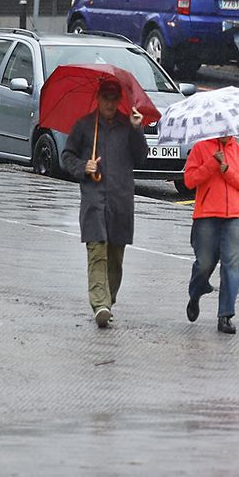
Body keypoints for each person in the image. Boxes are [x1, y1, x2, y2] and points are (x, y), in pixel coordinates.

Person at [60, 81, 147, 328]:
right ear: (97, 98)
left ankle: (108, 301)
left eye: (113, 98)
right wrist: (83, 167)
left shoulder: (127, 125)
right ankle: (100, 304)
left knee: (115, 258)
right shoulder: (85, 126)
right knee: (97, 252)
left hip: (120, 202)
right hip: (94, 201)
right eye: (105, 98)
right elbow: (67, 156)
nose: (109, 103)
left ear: (119, 100)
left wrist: (137, 129)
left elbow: (141, 156)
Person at [182, 134, 239, 335]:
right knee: (204, 263)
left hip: (234, 215)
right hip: (206, 215)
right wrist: (211, 165)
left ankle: (225, 315)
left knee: (232, 266)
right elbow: (189, 181)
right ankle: (196, 292)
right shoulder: (200, 149)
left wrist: (227, 171)